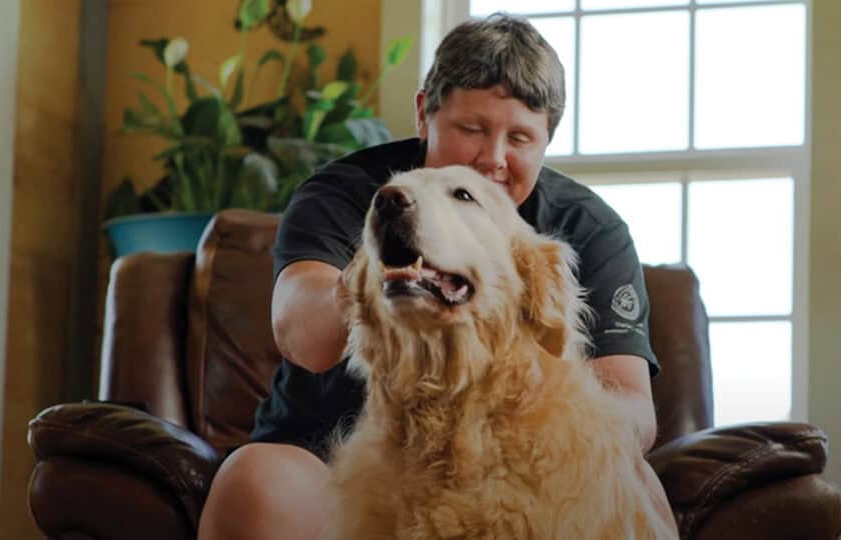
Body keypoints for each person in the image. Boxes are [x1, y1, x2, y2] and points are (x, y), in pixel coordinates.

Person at [197, 13, 679, 540]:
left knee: (635, 481)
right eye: (472, 129)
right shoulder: (352, 195)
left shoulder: (587, 228)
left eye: (520, 137)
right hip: (329, 461)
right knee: (255, 480)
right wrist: (386, 256)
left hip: (518, 464)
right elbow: (302, 338)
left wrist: (530, 436)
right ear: (425, 113)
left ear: (546, 140)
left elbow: (633, 413)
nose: (492, 158)